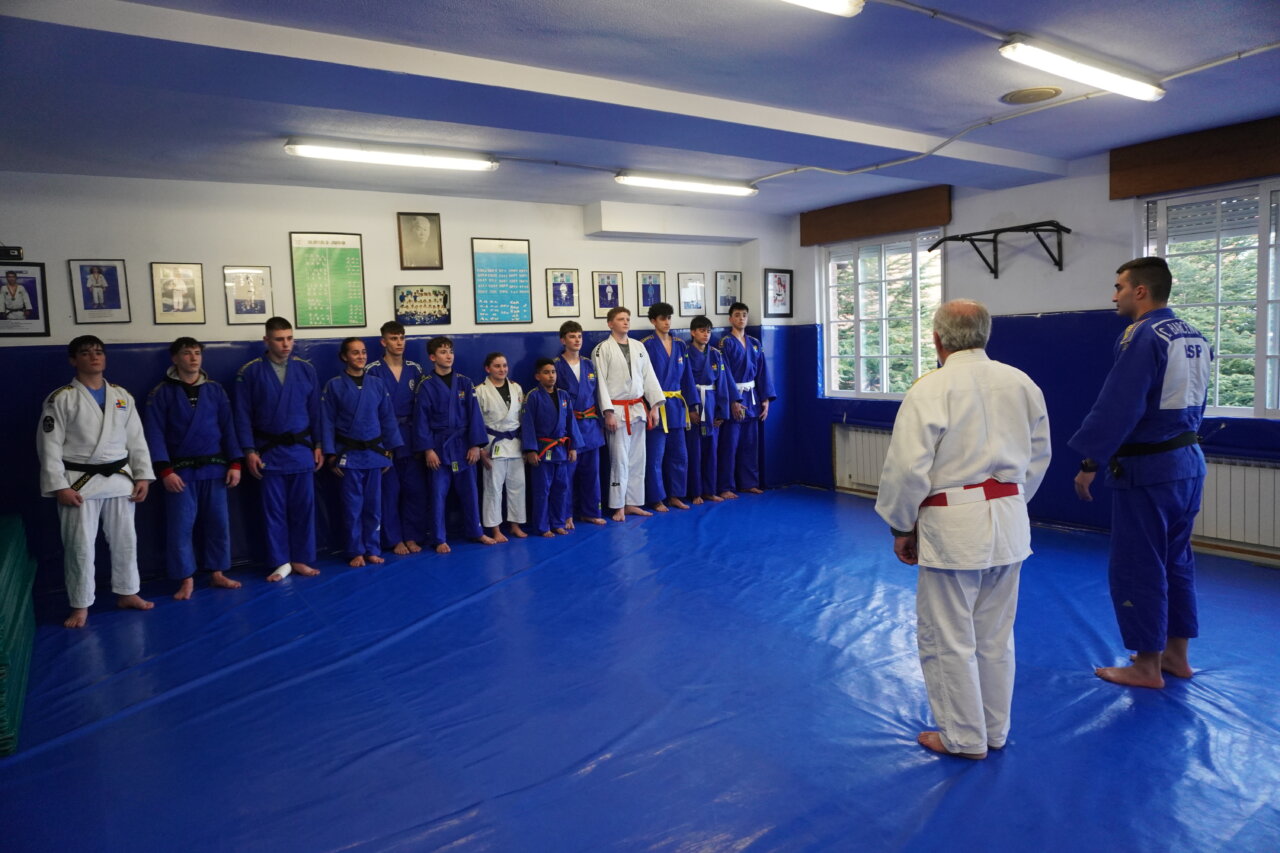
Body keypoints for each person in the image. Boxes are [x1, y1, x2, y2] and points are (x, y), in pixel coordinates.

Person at [875, 300, 1051, 759]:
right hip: (1009, 519)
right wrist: (1011, 504)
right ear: (985, 335)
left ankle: (963, 737)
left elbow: (907, 468)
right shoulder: (1022, 383)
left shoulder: (931, 388)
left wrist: (901, 525)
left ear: (937, 339)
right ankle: (994, 730)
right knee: (995, 635)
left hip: (953, 525)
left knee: (948, 636)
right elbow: (1039, 456)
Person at [1070, 256, 1212, 689]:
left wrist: (1090, 462)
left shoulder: (1143, 335)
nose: (1114, 296)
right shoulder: (1194, 334)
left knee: (1139, 564)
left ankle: (1147, 665)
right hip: (1188, 462)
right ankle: (1176, 656)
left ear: (1140, 291)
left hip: (1150, 468)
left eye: (1119, 287)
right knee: (1176, 561)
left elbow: (1120, 405)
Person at [37, 336, 155, 628]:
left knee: (126, 541)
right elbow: (49, 445)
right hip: (79, 483)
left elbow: (136, 440)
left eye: (99, 352)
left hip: (120, 479)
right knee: (79, 546)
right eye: (86, 353)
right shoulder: (61, 398)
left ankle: (128, 592)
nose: (94, 357)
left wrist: (143, 475)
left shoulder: (121, 395)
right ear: (73, 360)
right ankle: (80, 604)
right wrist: (59, 485)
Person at [143, 337, 243, 599]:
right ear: (175, 358)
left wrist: (235, 463)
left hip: (215, 469)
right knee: (180, 527)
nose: (193, 358)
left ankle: (218, 572)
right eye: (187, 353)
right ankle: (185, 578)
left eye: (197, 353)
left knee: (218, 524)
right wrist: (165, 470)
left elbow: (228, 428)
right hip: (180, 472)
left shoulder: (215, 390)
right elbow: (154, 434)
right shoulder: (161, 393)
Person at [233, 316, 323, 581]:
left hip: (302, 449)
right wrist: (249, 450)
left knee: (304, 509)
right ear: (266, 340)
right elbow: (242, 415)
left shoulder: (306, 369)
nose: (286, 344)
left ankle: (301, 558)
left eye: (289, 338)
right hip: (269, 451)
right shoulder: (249, 372)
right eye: (279, 339)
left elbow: (317, 412)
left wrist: (320, 445)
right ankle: (280, 561)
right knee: (274, 510)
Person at [320, 338, 402, 567]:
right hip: (348, 455)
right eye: (355, 353)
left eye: (363, 352)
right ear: (344, 357)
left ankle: (372, 549)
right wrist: (331, 455)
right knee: (352, 507)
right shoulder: (334, 385)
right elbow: (326, 422)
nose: (361, 356)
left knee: (374, 507)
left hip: (375, 454)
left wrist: (388, 452)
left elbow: (387, 418)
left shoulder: (377, 384)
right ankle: (355, 550)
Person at [412, 336, 496, 552]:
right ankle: (439, 538)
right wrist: (428, 450)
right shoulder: (426, 385)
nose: (448, 355)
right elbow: (421, 419)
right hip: (438, 446)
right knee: (437, 495)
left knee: (470, 492)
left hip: (464, 445)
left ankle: (476, 531)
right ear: (432, 357)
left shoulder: (465, 382)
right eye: (443, 352)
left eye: (450, 351)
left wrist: (476, 445)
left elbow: (475, 415)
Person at [592, 307, 665, 522]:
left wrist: (654, 406)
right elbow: (600, 383)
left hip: (638, 409)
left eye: (627, 319)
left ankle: (633, 503)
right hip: (617, 410)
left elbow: (649, 377)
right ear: (610, 323)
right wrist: (607, 412)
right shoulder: (602, 349)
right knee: (619, 461)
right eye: (620, 319)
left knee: (637, 460)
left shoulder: (638, 346)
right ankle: (618, 506)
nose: (625, 322)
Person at [366, 322, 429, 554]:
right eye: (393, 338)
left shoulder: (415, 369)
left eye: (402, 337)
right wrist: (378, 442)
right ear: (383, 342)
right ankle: (393, 539)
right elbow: (369, 409)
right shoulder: (372, 370)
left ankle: (412, 535)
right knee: (389, 492)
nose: (399, 342)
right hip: (385, 438)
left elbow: (423, 407)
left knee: (415, 490)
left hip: (411, 436)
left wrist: (423, 441)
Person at [641, 302, 696, 511]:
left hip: (676, 406)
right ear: (653, 321)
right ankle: (656, 498)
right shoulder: (645, 345)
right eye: (662, 318)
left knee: (679, 454)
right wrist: (648, 406)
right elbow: (642, 378)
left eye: (669, 318)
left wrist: (693, 405)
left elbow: (687, 377)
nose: (667, 322)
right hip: (655, 406)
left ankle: (675, 495)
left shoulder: (680, 345)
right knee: (655, 456)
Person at [717, 302, 776, 498]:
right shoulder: (725, 343)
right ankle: (726, 486)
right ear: (730, 319)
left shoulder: (755, 343)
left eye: (744, 315)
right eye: (737, 315)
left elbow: (762, 372)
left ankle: (749, 483)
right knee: (730, 444)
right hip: (734, 396)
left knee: (750, 444)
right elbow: (724, 374)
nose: (741, 318)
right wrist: (733, 400)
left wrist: (765, 398)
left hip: (752, 398)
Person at [521, 358, 582, 536]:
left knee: (561, 488)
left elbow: (570, 421)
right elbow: (527, 424)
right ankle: (542, 526)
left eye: (553, 372)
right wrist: (530, 449)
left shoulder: (563, 395)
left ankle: (558, 522)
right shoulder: (533, 396)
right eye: (546, 372)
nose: (551, 376)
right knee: (542, 490)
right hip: (542, 450)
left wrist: (573, 446)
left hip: (561, 449)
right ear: (537, 376)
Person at [555, 321, 607, 527]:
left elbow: (598, 394)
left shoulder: (589, 364)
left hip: (591, 425)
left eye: (579, 336)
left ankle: (591, 512)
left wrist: (603, 418)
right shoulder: (556, 366)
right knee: (567, 475)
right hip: (569, 427)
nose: (577, 340)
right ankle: (566, 514)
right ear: (563, 340)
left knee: (592, 473)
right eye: (572, 336)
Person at [685, 315, 739, 504]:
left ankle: (709, 490)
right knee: (694, 451)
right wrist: (690, 407)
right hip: (694, 403)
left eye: (708, 331)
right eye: (702, 331)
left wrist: (721, 411)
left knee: (711, 451)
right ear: (693, 332)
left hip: (711, 404)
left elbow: (722, 384)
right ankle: (695, 492)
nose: (706, 334)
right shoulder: (685, 352)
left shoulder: (716, 354)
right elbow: (685, 382)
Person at [476, 351, 528, 542]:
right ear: (487, 369)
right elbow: (475, 423)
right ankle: (495, 529)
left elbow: (523, 419)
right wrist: (480, 449)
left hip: (515, 443)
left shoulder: (516, 387)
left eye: (504, 365)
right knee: (493, 488)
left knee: (517, 486)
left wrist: (526, 446)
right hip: (492, 444)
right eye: (497, 366)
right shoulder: (480, 391)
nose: (502, 369)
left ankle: (515, 525)